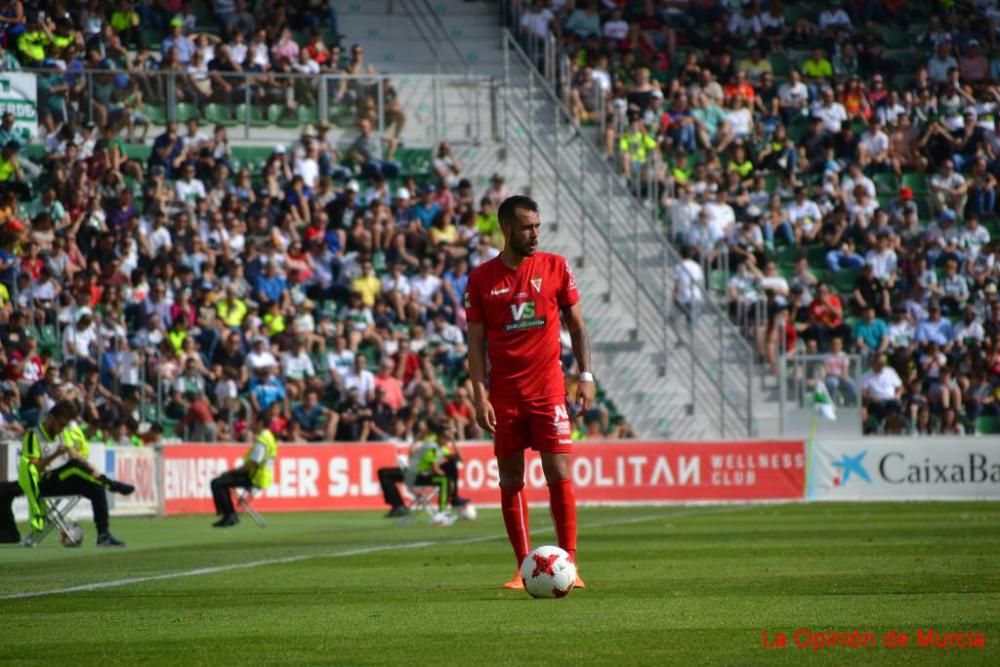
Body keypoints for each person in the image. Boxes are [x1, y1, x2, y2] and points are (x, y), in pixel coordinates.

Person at [465, 195, 592, 590]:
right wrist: (479, 394)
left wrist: (585, 374)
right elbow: (475, 344)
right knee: (510, 479)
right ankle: (523, 568)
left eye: (537, 226)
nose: (534, 234)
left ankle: (569, 563)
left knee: (558, 473)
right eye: (526, 227)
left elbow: (577, 326)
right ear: (506, 228)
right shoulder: (482, 278)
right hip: (505, 395)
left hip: (549, 390)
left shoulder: (555, 267)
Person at [0, 400, 133, 546]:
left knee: (96, 487)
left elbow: (75, 456)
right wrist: (55, 454)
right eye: (60, 424)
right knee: (73, 466)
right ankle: (9, 533)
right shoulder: (33, 436)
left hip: (62, 479)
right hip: (42, 482)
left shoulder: (63, 434)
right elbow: (35, 468)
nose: (61, 429)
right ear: (50, 418)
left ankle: (103, 535)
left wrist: (96, 472)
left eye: (64, 425)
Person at [377, 418, 466, 519]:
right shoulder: (432, 445)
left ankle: (399, 506)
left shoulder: (437, 444)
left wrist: (453, 441)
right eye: (446, 438)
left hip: (419, 474)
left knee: (384, 474)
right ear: (440, 436)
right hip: (418, 474)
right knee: (384, 473)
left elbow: (458, 459)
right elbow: (435, 468)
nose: (448, 440)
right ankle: (447, 505)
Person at [208, 415, 278, 527]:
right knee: (221, 481)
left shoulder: (262, 441)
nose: (252, 424)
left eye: (254, 421)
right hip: (261, 476)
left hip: (254, 476)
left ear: (260, 422)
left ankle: (229, 515)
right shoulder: (270, 437)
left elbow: (252, 463)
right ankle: (229, 515)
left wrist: (234, 471)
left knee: (217, 483)